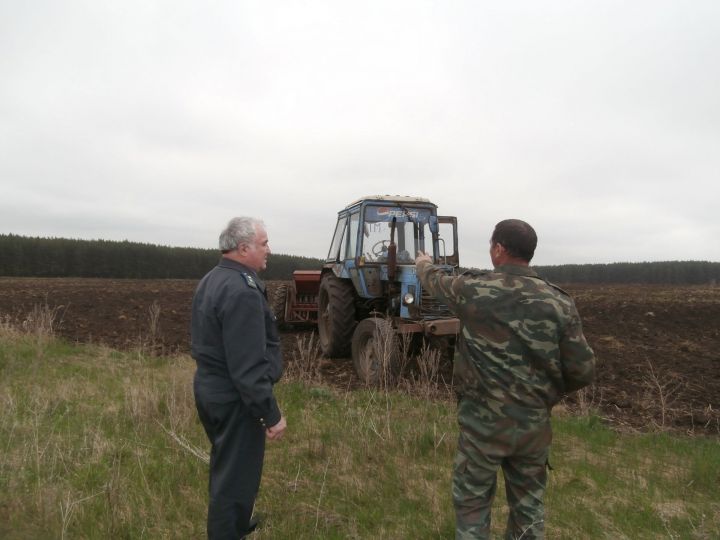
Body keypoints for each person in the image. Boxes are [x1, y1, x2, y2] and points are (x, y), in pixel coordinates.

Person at [415, 219, 595, 540]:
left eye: (490, 245)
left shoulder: (473, 291)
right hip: (532, 429)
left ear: (499, 249)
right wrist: (543, 396)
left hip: (481, 428)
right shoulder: (559, 303)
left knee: (472, 508)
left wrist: (423, 263)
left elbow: (435, 281)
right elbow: (582, 370)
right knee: (528, 512)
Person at [191, 217, 287, 539]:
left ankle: (234, 521)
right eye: (264, 244)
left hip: (209, 389)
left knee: (227, 463)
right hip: (233, 398)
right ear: (243, 248)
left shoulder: (212, 279)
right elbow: (247, 368)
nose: (268, 250)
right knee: (237, 475)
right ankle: (227, 529)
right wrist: (270, 414)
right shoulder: (242, 291)